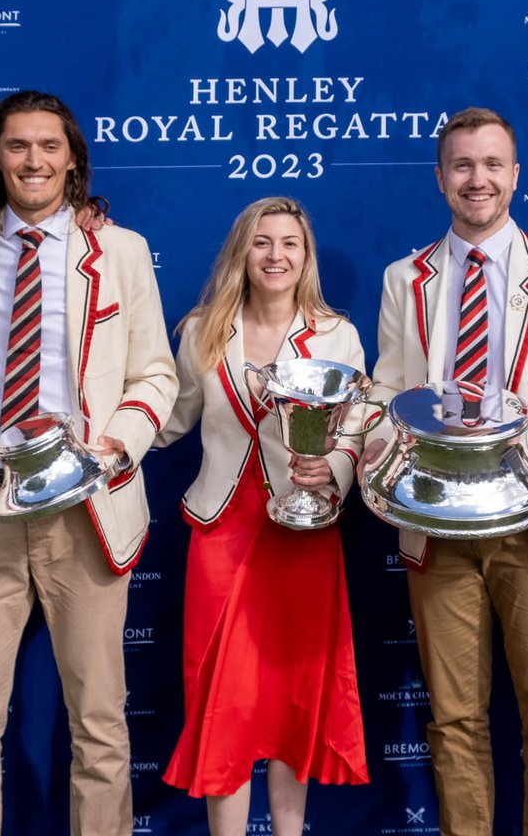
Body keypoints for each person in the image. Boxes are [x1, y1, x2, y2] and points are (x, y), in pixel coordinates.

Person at [0, 90, 177, 836]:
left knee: (99, 719)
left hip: (84, 504)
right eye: (17, 147)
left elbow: (157, 375)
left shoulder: (119, 251)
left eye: (49, 146)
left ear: (72, 158)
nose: (34, 160)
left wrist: (116, 443)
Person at [360, 107, 528, 836]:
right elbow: (387, 392)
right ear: (441, 178)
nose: (479, 179)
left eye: (493, 164)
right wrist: (381, 461)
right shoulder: (403, 280)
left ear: (516, 174)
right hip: (437, 528)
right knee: (454, 720)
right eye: (464, 166)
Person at [157, 196, 368, 835]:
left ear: (305, 258)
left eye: (290, 244)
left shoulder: (337, 334)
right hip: (222, 528)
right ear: (242, 252)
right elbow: (172, 419)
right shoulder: (202, 330)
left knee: (291, 699)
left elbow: (358, 424)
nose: (276, 256)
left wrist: (332, 469)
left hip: (303, 532)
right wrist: (103, 441)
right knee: (223, 698)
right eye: (262, 242)